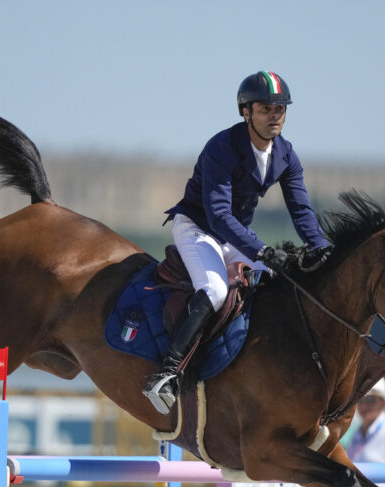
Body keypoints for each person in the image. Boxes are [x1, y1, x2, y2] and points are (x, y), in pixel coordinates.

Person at [142, 70, 333, 415]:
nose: (275, 115)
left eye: (280, 109)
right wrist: (259, 250)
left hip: (235, 235)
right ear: (246, 112)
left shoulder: (286, 155)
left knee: (282, 282)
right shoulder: (222, 148)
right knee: (215, 289)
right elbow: (217, 214)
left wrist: (322, 248)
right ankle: (168, 372)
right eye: (266, 109)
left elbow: (301, 210)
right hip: (198, 228)